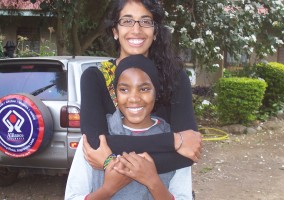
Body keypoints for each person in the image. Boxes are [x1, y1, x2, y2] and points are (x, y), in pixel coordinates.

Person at [81, 0, 201, 175]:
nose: (136, 30)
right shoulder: (95, 78)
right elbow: (95, 145)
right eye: (127, 21)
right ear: (115, 31)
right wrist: (173, 141)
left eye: (145, 21)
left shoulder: (175, 78)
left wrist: (111, 161)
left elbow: (189, 152)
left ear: (155, 32)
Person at [65, 54, 193, 199]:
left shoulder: (178, 142)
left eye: (144, 89)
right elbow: (72, 196)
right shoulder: (96, 141)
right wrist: (108, 189)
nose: (134, 98)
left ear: (156, 93)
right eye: (124, 90)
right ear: (115, 94)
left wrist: (153, 182)